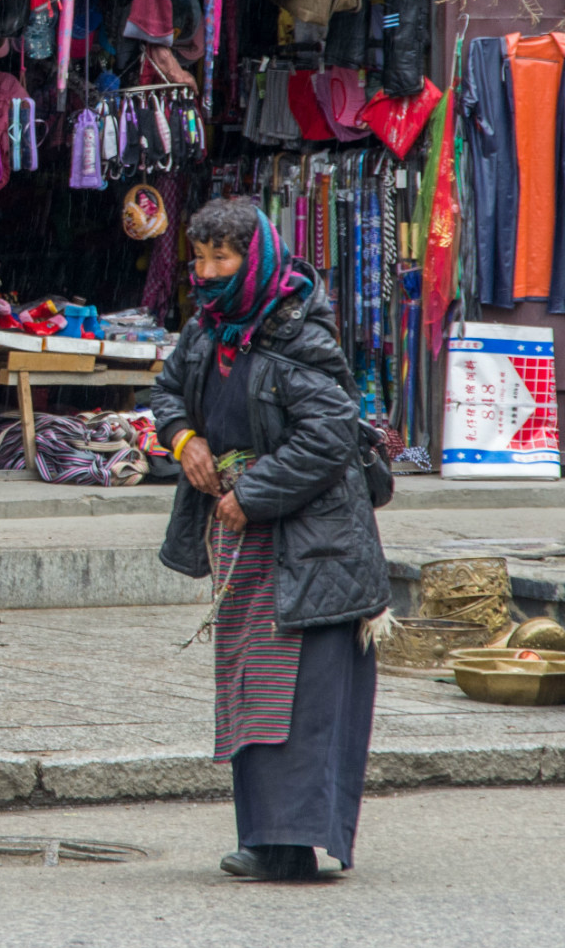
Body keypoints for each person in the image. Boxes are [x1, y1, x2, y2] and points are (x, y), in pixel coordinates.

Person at [150, 197, 388, 882]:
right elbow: (167, 392)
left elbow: (329, 436)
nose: (206, 270)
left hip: (312, 540)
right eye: (199, 258)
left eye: (221, 257)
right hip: (242, 536)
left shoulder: (299, 333)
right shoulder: (209, 330)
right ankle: (263, 838)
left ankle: (297, 841)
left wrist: (251, 494)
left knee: (302, 693)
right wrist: (184, 438)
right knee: (251, 684)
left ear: (253, 257)